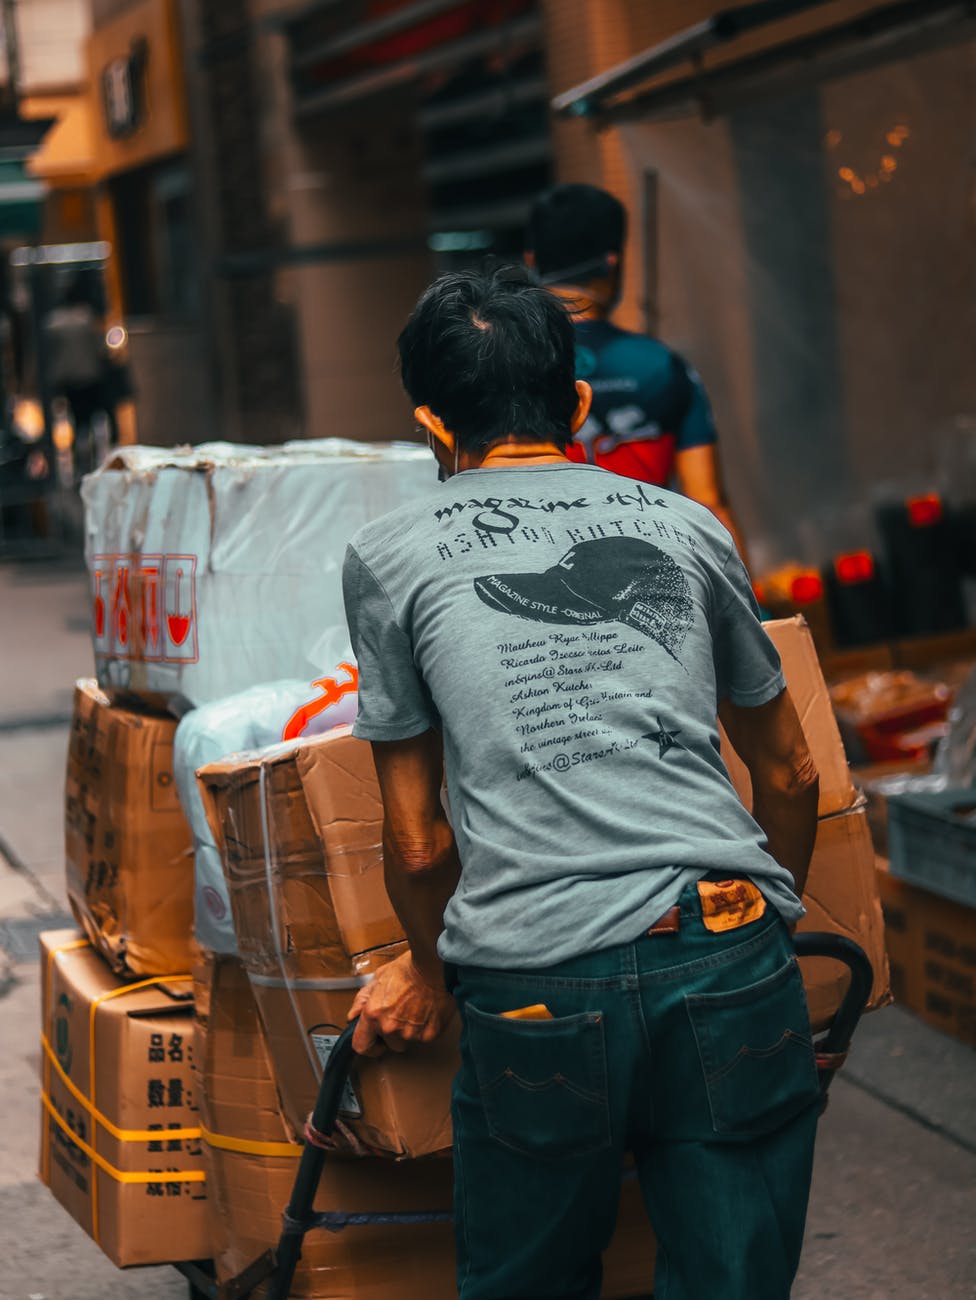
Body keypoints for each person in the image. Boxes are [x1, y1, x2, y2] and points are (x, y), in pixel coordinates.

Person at [340, 267, 821, 1300]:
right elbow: (789, 769)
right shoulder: (689, 526)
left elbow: (419, 842)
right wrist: (767, 917)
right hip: (726, 946)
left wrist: (427, 973)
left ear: (430, 422)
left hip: (534, 982)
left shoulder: (386, 556)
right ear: (580, 406)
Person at [525, 182, 748, 561]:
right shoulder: (661, 366)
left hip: (546, 570)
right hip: (647, 569)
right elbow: (707, 501)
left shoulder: (507, 366)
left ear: (531, 260)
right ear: (613, 262)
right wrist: (752, 613)